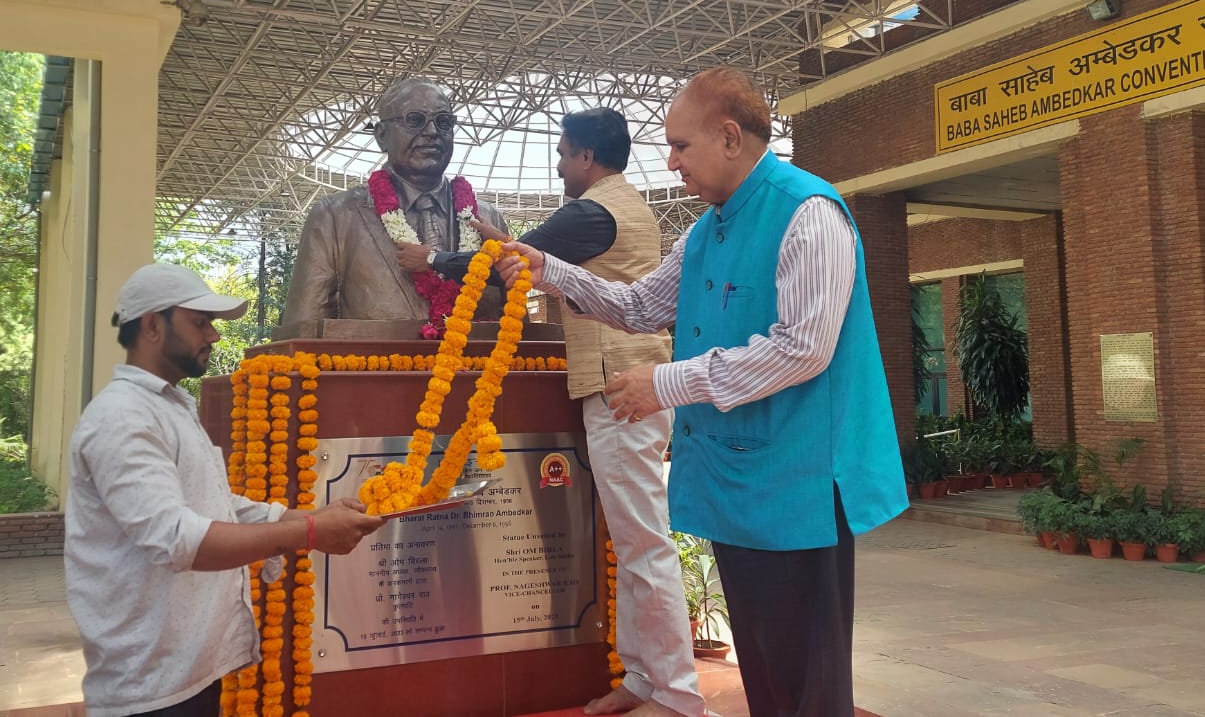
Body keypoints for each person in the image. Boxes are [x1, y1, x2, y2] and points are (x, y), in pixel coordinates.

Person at [494, 68, 908, 717]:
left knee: (809, 681)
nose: (671, 161)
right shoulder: (708, 228)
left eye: (681, 145)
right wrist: (551, 270)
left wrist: (666, 382)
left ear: (729, 138)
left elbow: (803, 347)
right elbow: (639, 305)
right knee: (765, 672)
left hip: (798, 483)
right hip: (735, 478)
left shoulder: (809, 212)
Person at [399, 108, 705, 717]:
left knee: (644, 546)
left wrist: (430, 259)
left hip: (621, 390)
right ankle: (644, 679)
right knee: (631, 543)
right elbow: (533, 256)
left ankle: (677, 694)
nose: (560, 167)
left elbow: (514, 264)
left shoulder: (593, 212)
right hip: (618, 384)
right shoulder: (623, 206)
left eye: (564, 154)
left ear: (588, 156)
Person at [65, 262, 385, 717]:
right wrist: (311, 532)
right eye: (200, 322)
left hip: (188, 672)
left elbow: (212, 505)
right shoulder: (123, 417)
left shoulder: (168, 407)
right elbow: (178, 538)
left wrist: (308, 518)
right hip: (150, 689)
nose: (213, 335)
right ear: (152, 326)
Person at [282, 78, 512, 330]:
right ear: (382, 136)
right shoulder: (335, 217)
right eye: (415, 120)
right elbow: (303, 330)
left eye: (444, 122)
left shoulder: (488, 220)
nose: (432, 132)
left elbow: (517, 327)